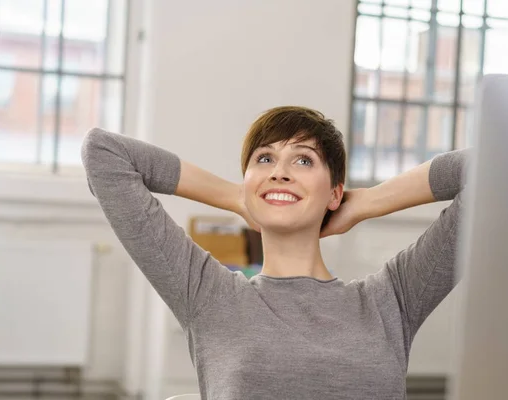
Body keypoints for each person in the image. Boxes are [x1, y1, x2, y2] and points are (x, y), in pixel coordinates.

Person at [81, 106, 468, 400]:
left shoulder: (392, 299)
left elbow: (492, 170)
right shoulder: (209, 296)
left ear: (335, 192)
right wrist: (234, 196)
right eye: (264, 159)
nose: (279, 172)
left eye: (303, 160)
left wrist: (365, 201)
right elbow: (104, 152)